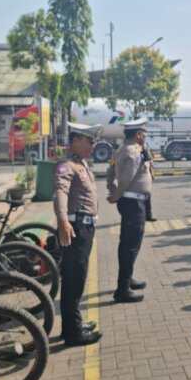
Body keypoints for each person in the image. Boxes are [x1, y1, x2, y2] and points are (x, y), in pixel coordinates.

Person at [54, 122, 103, 346]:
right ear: (75, 140)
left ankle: (72, 325)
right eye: (88, 141)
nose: (92, 146)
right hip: (76, 228)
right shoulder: (66, 166)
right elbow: (61, 193)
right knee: (74, 280)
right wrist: (63, 220)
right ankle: (73, 334)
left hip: (85, 227)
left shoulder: (81, 163)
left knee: (78, 279)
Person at [107, 118, 152, 303]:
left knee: (130, 244)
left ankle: (128, 278)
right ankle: (122, 289)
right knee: (130, 245)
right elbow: (126, 179)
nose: (145, 137)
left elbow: (111, 170)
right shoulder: (132, 151)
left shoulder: (121, 149)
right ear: (139, 134)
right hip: (133, 204)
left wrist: (111, 186)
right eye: (144, 134)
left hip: (132, 203)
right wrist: (116, 194)